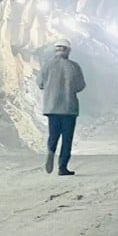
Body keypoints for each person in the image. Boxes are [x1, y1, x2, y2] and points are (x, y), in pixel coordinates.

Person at [37, 39, 86, 175]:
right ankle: (62, 168)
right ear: (68, 51)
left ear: (55, 50)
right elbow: (80, 86)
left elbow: (40, 84)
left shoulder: (47, 66)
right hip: (69, 108)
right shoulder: (74, 67)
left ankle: (51, 150)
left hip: (52, 107)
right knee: (67, 139)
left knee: (53, 135)